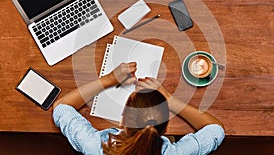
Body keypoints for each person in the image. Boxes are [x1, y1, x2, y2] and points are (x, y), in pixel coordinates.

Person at [53, 62, 225, 155]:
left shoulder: (95, 147)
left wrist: (109, 80)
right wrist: (169, 101)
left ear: (123, 118)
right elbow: (215, 130)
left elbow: (61, 108)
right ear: (165, 128)